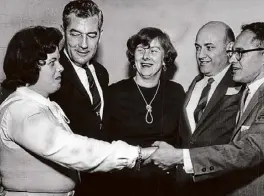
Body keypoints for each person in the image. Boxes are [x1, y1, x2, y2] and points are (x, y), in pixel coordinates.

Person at [0, 26, 157, 196]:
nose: (61, 68)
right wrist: (137, 154)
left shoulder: (40, 105)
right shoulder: (22, 110)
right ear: (29, 66)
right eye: (53, 62)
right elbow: (73, 148)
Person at [147, 22, 264, 196]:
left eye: (239, 53)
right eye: (232, 53)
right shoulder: (249, 91)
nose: (231, 59)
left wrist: (180, 157)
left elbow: (250, 149)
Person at [103, 27, 185, 196]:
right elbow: (104, 144)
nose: (146, 56)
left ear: (165, 59)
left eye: (154, 51)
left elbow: (181, 140)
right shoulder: (114, 93)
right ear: (134, 57)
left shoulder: (176, 92)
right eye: (141, 50)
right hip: (122, 185)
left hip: (166, 185)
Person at [49, 1, 109, 195]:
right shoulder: (50, 76)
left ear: (100, 34)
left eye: (91, 35)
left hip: (100, 181)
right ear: (63, 31)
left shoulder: (101, 73)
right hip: (66, 183)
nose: (84, 45)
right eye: (75, 34)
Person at [177, 21, 242, 195]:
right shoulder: (196, 83)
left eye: (209, 47)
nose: (200, 54)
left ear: (229, 48)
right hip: (188, 183)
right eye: (198, 47)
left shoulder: (241, 83)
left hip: (222, 183)